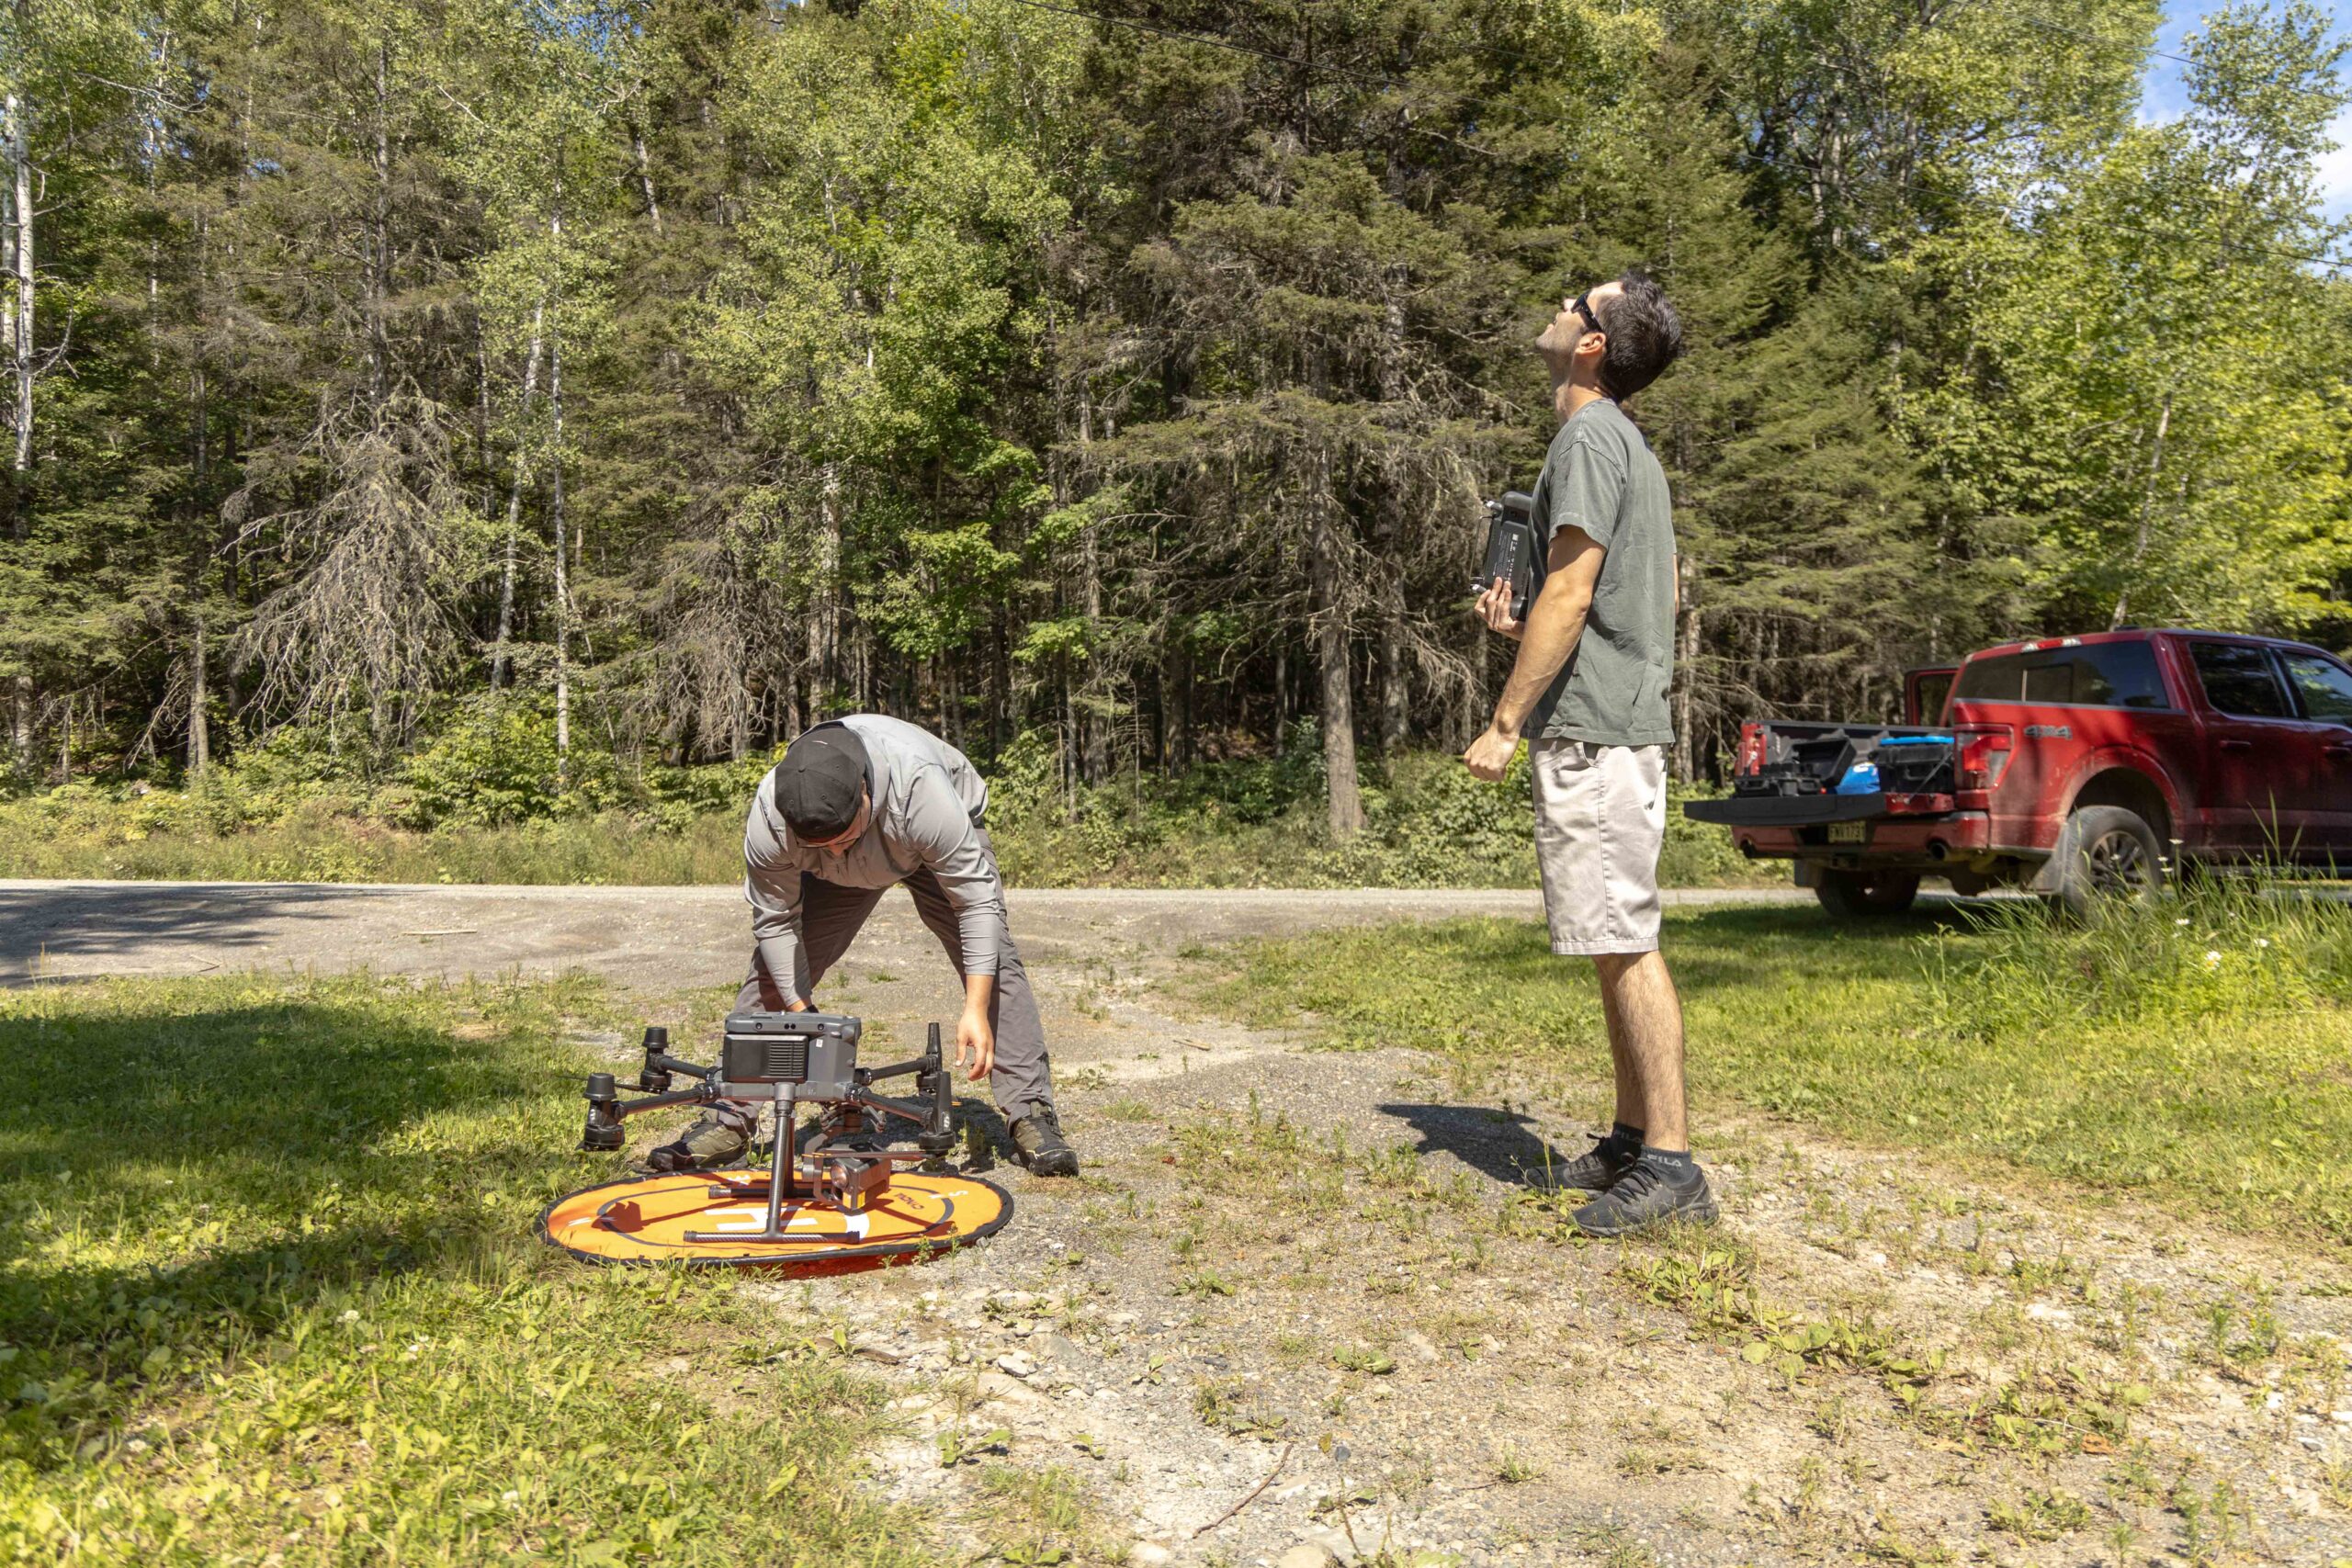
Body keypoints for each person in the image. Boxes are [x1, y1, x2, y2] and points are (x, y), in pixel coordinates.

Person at [1462, 269, 1713, 1235]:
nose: (1558, 304)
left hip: (1599, 733)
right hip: (1605, 720)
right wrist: (1513, 624)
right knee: (1611, 944)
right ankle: (1629, 1140)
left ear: (1592, 342)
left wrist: (1503, 720)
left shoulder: (1588, 437)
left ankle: (1675, 1169)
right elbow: (1577, 600)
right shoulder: (1612, 443)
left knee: (1625, 941)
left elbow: (1572, 598)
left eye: (1575, 297)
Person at [647, 715, 1080, 1178]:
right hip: (861, 854)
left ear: (866, 796)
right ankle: (728, 1120)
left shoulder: (920, 791)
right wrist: (798, 1011)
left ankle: (1030, 1113)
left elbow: (976, 904)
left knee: (995, 961)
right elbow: (775, 921)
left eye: (843, 839)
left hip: (924, 840)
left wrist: (975, 1007)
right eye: (819, 846)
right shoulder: (772, 817)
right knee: (771, 974)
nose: (834, 853)